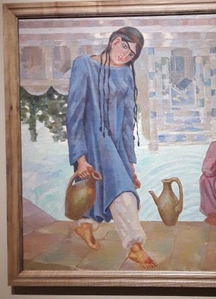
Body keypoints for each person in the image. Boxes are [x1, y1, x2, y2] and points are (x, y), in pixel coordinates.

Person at [66, 26, 156, 268]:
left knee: (120, 189)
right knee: (120, 193)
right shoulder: (84, 65)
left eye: (131, 54)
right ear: (115, 41)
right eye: (124, 47)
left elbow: (127, 122)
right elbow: (74, 113)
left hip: (116, 146)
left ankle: (86, 226)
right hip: (93, 143)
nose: (125, 55)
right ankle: (135, 247)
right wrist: (80, 158)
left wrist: (130, 163)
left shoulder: (126, 73)